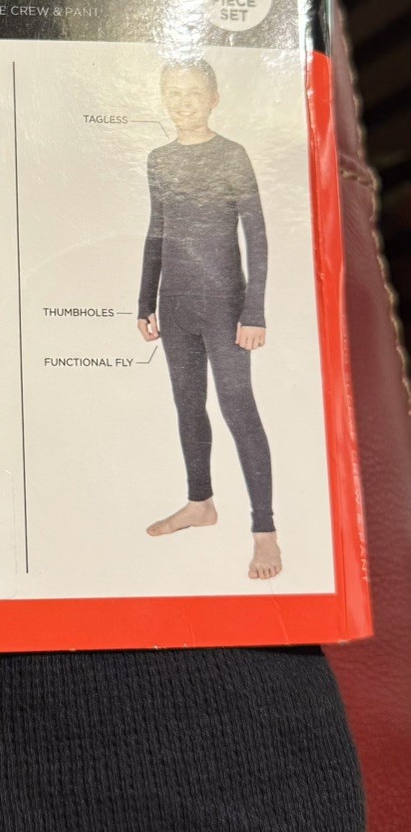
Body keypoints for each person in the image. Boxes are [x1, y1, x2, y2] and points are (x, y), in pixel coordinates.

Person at [137, 58, 281, 580]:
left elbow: (256, 235)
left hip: (225, 307)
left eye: (194, 93)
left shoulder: (231, 155)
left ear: (214, 98)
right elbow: (157, 231)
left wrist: (254, 310)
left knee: (239, 409)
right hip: (175, 307)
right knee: (188, 406)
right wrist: (144, 301)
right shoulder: (159, 159)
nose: (183, 103)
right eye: (173, 93)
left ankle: (265, 531)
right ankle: (200, 503)